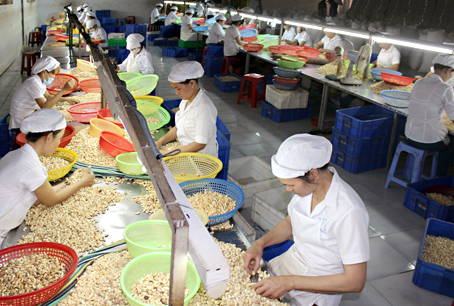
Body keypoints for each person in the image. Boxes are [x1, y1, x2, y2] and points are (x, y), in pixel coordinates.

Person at [244, 134, 370, 306]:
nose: (288, 190)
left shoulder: (348, 211)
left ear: (313, 174)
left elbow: (355, 281)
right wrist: (260, 244)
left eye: (292, 185)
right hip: (290, 265)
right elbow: (291, 222)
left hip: (318, 286)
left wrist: (289, 282)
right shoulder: (307, 190)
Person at [0, 109, 95, 249]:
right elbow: (50, 200)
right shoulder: (30, 166)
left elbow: (41, 196)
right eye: (59, 138)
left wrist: (71, 180)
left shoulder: (17, 155)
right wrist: (82, 182)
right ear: (49, 137)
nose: (58, 144)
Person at [405, 54, 454, 177]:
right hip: (429, 140)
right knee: (451, 144)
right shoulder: (445, 88)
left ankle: (411, 172)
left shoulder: (419, 82)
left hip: (409, 135)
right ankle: (439, 177)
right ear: (448, 70)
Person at [155, 62, 218, 157]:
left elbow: (200, 144)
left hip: (201, 159)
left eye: (178, 89)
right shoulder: (185, 101)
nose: (176, 93)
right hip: (184, 151)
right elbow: (178, 128)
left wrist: (169, 153)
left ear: (192, 83)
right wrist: (160, 141)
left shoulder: (204, 108)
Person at [9, 56, 78, 132]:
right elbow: (45, 106)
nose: (54, 77)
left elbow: (48, 96)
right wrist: (63, 90)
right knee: (23, 135)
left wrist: (67, 99)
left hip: (29, 111)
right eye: (53, 74)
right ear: (44, 72)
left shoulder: (40, 80)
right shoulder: (34, 83)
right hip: (21, 115)